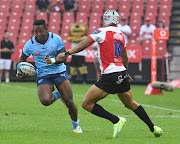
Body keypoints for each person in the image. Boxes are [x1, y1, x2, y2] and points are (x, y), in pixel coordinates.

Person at [55, 10, 163, 138]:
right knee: (131, 103)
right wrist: (126, 72)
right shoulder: (121, 35)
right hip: (121, 72)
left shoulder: (101, 31)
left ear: (105, 20)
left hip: (110, 75)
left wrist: (67, 53)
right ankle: (153, 128)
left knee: (87, 104)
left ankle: (116, 120)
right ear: (117, 20)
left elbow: (84, 44)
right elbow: (125, 57)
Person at [16, 19, 82, 133]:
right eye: (36, 32)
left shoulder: (56, 39)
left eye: (41, 31)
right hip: (43, 75)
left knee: (69, 102)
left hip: (59, 71)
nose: (38, 34)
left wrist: (52, 60)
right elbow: (22, 60)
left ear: (46, 29)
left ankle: (76, 125)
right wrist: (20, 72)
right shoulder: (30, 44)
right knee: (45, 101)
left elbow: (64, 57)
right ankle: (59, 94)